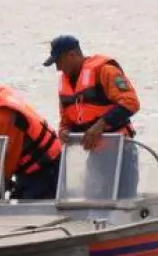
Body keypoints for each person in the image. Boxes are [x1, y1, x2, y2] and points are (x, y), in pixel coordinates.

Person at [42, 35, 141, 197]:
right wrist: (64, 132)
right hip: (95, 155)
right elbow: (65, 120)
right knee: (92, 203)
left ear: (72, 55)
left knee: (123, 203)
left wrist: (99, 126)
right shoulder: (64, 83)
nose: (58, 68)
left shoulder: (105, 70)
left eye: (59, 62)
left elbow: (130, 102)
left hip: (121, 151)